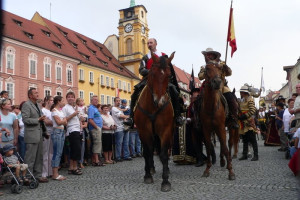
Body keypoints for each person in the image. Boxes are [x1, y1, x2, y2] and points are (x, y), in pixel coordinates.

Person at [124, 38, 183, 127]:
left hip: (162, 80)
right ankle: (131, 118)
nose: (149, 45)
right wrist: (152, 72)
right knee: (135, 94)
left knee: (174, 91)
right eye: (148, 43)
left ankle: (178, 116)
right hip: (148, 80)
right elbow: (141, 70)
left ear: (156, 44)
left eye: (151, 43)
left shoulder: (163, 56)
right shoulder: (145, 57)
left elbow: (169, 69)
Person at [198, 48, 239, 129]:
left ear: (214, 55)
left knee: (232, 100)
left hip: (222, 87)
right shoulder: (204, 66)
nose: (209, 56)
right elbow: (200, 76)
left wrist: (225, 67)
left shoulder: (221, 63)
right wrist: (207, 69)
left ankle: (233, 118)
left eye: (211, 54)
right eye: (208, 54)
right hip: (209, 88)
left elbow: (229, 73)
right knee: (197, 101)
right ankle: (198, 119)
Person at [21, 88, 49, 183]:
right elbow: (25, 120)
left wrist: (45, 132)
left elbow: (42, 119)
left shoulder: (37, 105)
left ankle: (38, 175)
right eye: (35, 93)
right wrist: (37, 120)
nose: (38, 94)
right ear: (30, 95)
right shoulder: (26, 105)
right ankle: (27, 177)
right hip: (31, 134)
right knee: (30, 157)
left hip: (40, 134)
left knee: (39, 157)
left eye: (37, 92)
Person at [63, 92, 85, 174]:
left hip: (78, 129)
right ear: (66, 98)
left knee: (75, 149)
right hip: (72, 130)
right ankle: (74, 167)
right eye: (68, 97)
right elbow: (65, 120)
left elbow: (79, 118)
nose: (70, 98)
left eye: (72, 97)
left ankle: (71, 167)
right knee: (75, 149)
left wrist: (81, 117)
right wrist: (73, 114)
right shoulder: (66, 108)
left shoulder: (75, 107)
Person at [238, 85, 259, 161]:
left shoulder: (250, 99)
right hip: (242, 122)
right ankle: (245, 154)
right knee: (245, 139)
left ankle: (256, 155)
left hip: (249, 121)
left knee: (252, 139)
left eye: (241, 92)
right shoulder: (242, 100)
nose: (240, 93)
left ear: (244, 92)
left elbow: (253, 110)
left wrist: (245, 116)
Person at [51, 96, 67, 180]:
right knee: (56, 153)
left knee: (59, 153)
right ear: (58, 101)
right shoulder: (54, 111)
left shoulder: (60, 111)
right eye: (62, 101)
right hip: (57, 131)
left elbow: (65, 122)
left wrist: (63, 121)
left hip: (61, 131)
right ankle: (55, 173)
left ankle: (56, 172)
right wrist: (63, 121)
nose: (63, 102)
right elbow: (59, 122)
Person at [111, 97, 131, 162]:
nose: (118, 102)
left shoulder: (120, 109)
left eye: (119, 101)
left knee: (126, 142)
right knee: (119, 143)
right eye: (117, 101)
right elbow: (121, 116)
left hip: (124, 127)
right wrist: (128, 116)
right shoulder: (114, 108)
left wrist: (125, 116)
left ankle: (126, 155)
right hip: (119, 128)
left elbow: (123, 116)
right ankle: (118, 156)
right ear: (114, 101)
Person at [88, 95, 105, 166]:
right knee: (96, 144)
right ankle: (96, 161)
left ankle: (96, 160)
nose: (96, 101)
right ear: (91, 101)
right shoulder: (91, 108)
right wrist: (96, 127)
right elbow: (90, 119)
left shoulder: (95, 108)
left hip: (98, 128)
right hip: (95, 129)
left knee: (98, 144)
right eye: (95, 100)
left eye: (97, 100)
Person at [41, 96, 53, 179]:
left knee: (51, 153)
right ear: (47, 101)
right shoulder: (43, 110)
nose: (52, 102)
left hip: (52, 132)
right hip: (46, 132)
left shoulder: (51, 111)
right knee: (45, 153)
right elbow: (46, 122)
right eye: (51, 100)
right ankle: (44, 173)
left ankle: (50, 171)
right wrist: (55, 122)